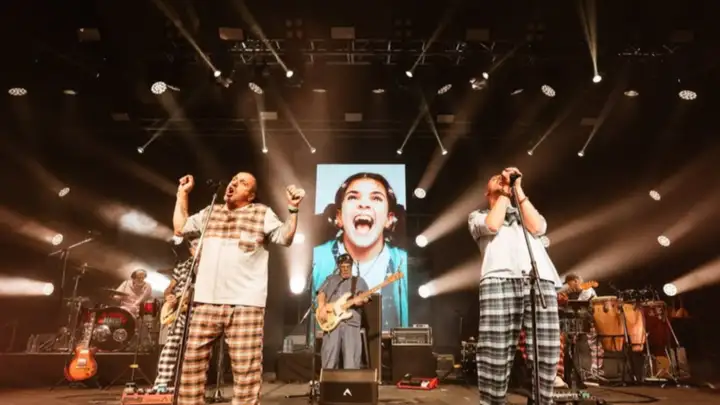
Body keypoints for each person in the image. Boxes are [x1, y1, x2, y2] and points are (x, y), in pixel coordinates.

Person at [173, 172, 304, 405]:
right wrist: (181, 194)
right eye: (234, 179)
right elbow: (180, 227)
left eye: (243, 183)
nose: (234, 183)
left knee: (246, 373)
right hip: (206, 300)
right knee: (192, 365)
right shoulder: (210, 211)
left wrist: (293, 209)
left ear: (251, 196)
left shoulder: (261, 213)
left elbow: (285, 238)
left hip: (245, 303)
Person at [468, 167, 562, 405]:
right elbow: (492, 225)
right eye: (495, 179)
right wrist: (503, 193)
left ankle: (543, 401)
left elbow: (539, 227)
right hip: (499, 280)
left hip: (540, 279)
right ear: (486, 192)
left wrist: (517, 189)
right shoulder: (477, 216)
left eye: (503, 179)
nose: (500, 180)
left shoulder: (522, 212)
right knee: (495, 354)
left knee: (546, 352)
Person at [312, 172, 408, 331]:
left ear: (389, 219)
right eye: (353, 197)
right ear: (339, 217)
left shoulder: (403, 263)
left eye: (376, 198)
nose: (364, 204)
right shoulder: (317, 259)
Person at [153, 240, 198, 389]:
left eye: (200, 244)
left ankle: (190, 384)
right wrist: (169, 296)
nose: (198, 248)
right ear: (190, 249)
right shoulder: (182, 266)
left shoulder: (210, 266)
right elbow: (169, 288)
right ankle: (162, 382)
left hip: (199, 309)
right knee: (172, 343)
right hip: (180, 310)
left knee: (194, 346)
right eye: (195, 245)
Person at [316, 253, 369, 369]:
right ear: (339, 267)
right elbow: (321, 293)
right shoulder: (331, 279)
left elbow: (365, 298)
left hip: (351, 323)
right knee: (329, 359)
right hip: (331, 324)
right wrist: (321, 307)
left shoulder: (359, 281)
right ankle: (328, 380)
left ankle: (351, 381)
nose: (345, 269)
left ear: (351, 266)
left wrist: (361, 300)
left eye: (348, 267)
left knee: (351, 361)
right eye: (343, 267)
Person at [557, 273, 603, 380]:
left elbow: (578, 305)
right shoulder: (582, 292)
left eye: (570, 284)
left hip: (592, 321)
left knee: (595, 347)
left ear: (576, 281)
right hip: (587, 321)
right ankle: (587, 370)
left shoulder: (587, 290)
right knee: (588, 346)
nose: (570, 287)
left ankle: (597, 372)